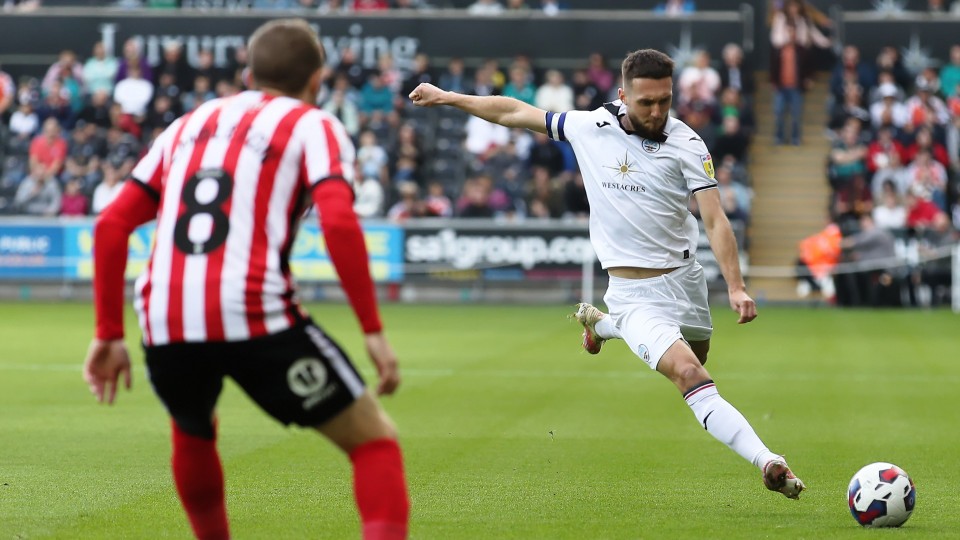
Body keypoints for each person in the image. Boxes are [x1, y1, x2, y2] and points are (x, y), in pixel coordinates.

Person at [409, 49, 805, 500]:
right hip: (633, 291)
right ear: (623, 95)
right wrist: (448, 97)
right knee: (691, 375)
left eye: (665, 101)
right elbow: (515, 111)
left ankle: (601, 325)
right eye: (646, 103)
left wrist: (735, 286)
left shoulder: (689, 144)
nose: (657, 112)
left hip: (686, 278)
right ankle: (768, 461)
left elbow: (714, 219)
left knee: (700, 353)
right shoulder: (589, 127)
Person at [82, 19, 410, 540]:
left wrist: (108, 333)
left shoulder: (189, 123)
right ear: (317, 79)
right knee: (374, 442)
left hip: (166, 314)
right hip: (252, 306)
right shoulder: (312, 124)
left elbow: (112, 224)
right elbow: (340, 220)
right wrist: (371, 328)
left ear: (248, 72)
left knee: (193, 431)